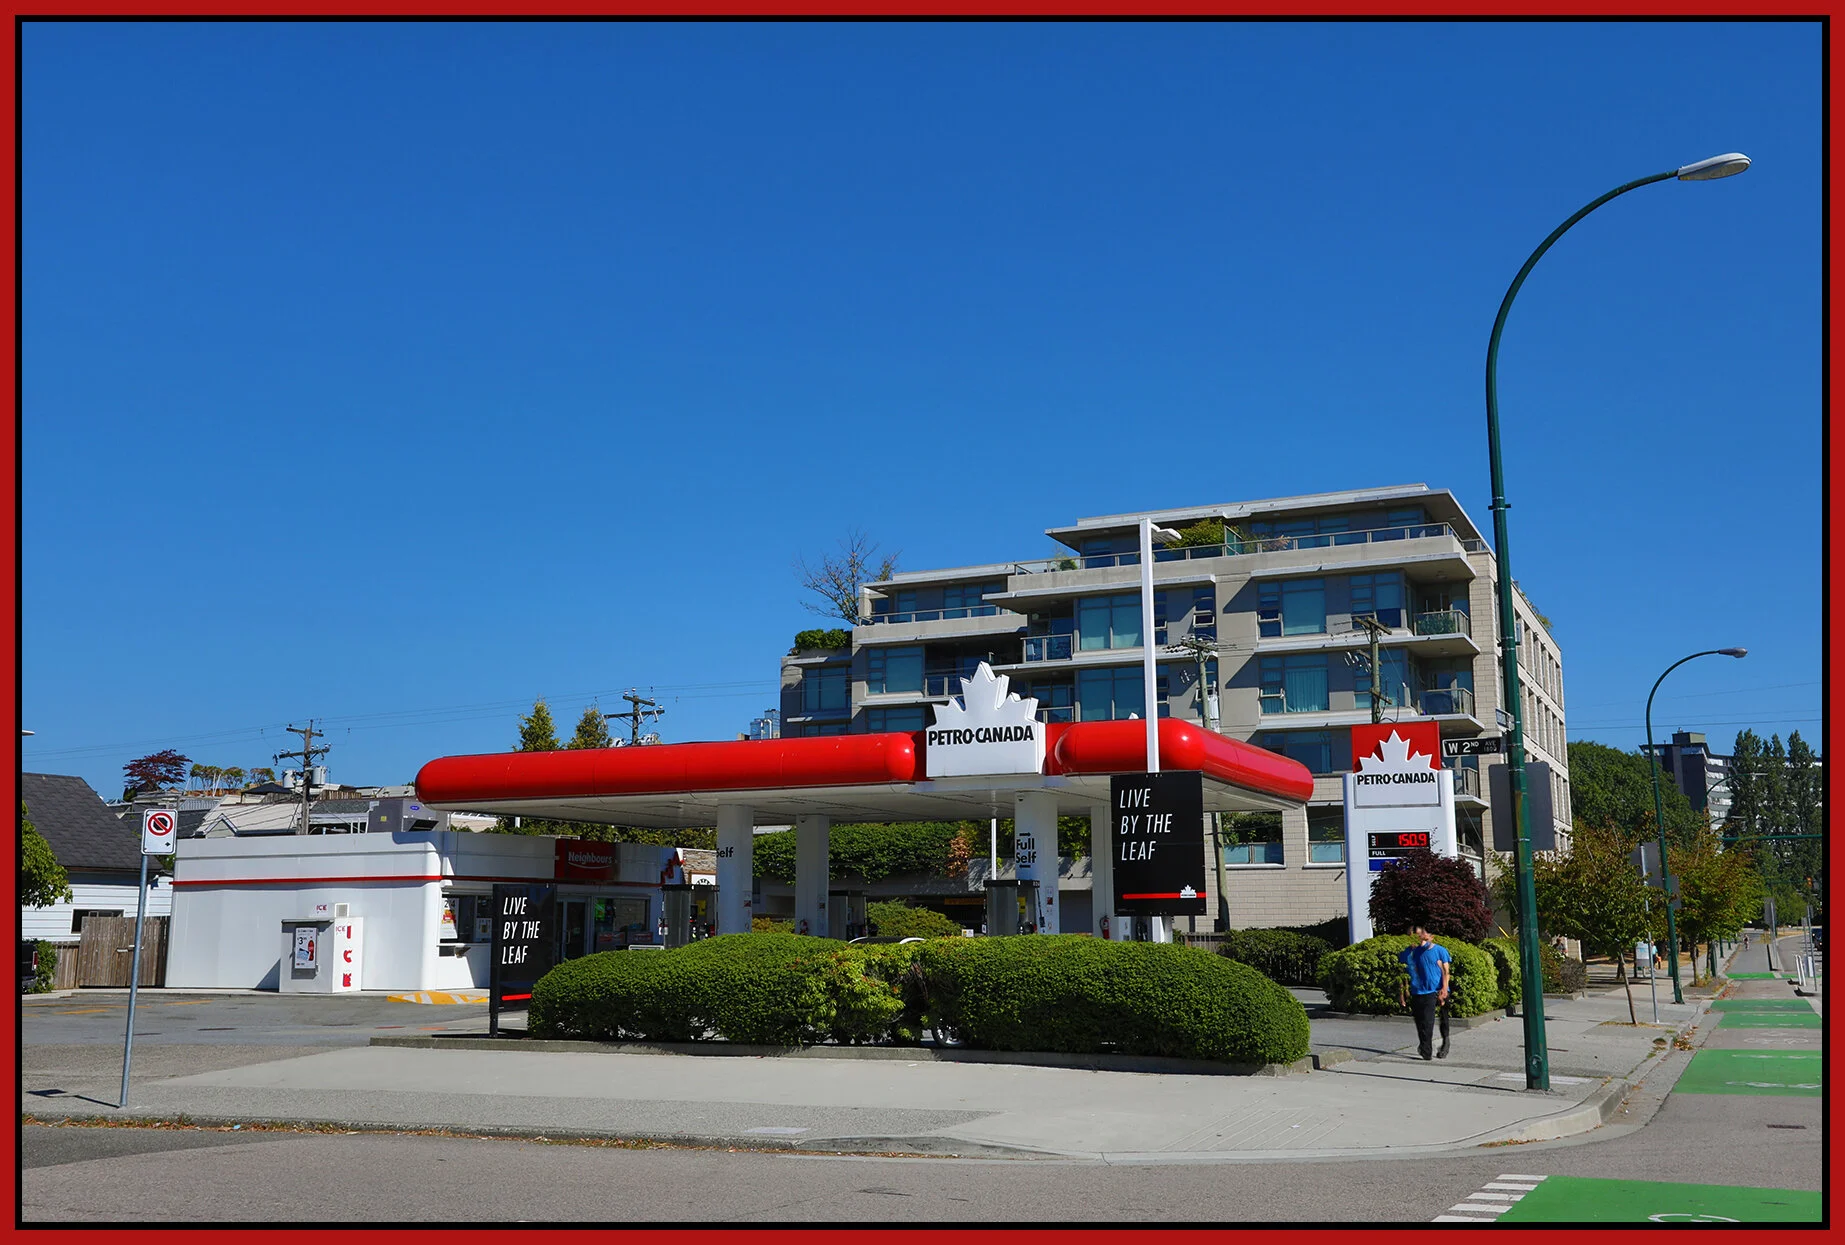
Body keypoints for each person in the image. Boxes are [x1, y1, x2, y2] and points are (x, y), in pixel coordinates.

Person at [1398, 924, 1452, 1061]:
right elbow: (1402, 971)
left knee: (1437, 1020)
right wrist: (1402, 993)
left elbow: (1446, 972)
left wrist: (1444, 989)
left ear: (1431, 937)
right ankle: (1425, 1047)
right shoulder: (1411, 952)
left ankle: (1442, 1044)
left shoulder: (1440, 951)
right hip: (1418, 990)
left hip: (1436, 990)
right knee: (1421, 1021)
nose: (1419, 937)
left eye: (1422, 934)